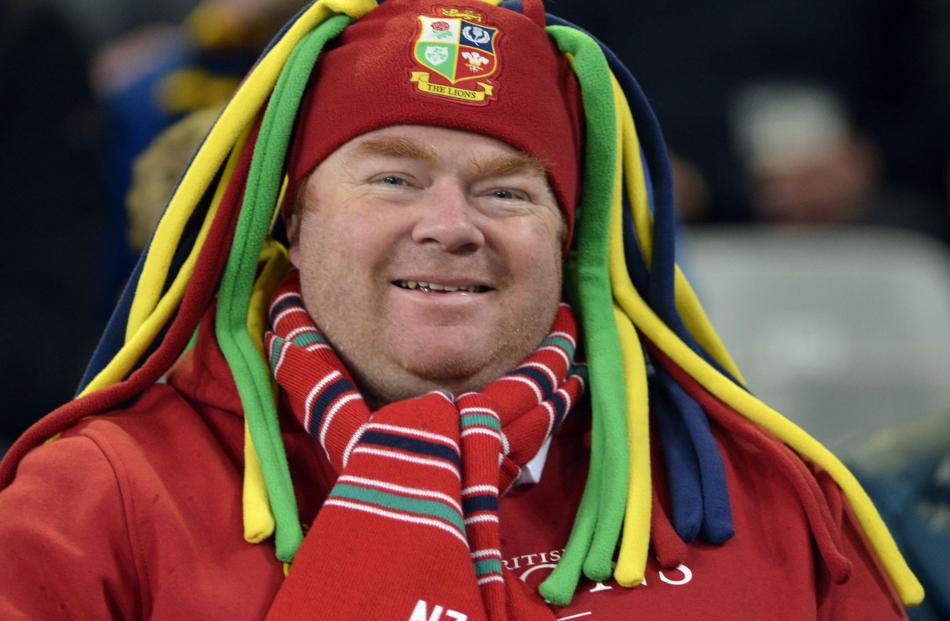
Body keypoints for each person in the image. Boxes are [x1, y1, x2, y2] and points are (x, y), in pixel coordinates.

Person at [0, 0, 924, 618]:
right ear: (290, 216)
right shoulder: (96, 500)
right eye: (394, 176)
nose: (450, 227)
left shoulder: (760, 497)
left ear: (571, 239)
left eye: (508, 192)